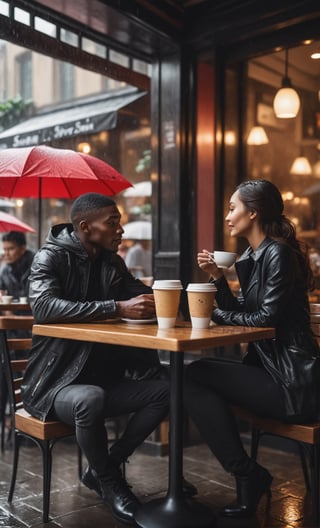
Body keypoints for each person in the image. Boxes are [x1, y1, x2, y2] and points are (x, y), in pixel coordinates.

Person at [21, 193, 170, 525]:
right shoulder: (50, 257)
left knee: (166, 391)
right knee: (90, 398)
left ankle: (104, 467)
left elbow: (138, 294)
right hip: (54, 385)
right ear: (86, 227)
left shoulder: (111, 262)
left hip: (103, 380)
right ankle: (109, 483)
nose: (121, 229)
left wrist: (187, 297)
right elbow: (43, 308)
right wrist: (115, 308)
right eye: (113, 222)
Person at [184, 179, 320, 519]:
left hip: (292, 383)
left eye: (233, 208)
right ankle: (247, 473)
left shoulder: (279, 255)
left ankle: (247, 475)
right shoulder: (252, 256)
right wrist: (217, 278)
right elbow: (245, 310)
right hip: (268, 371)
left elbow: (263, 319)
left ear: (253, 212)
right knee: (189, 376)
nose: (228, 216)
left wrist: (214, 310)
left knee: (193, 377)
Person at [0, 231, 34, 300]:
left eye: (11, 249)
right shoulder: (4, 270)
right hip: (14, 309)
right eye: (4, 249)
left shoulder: (37, 266)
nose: (6, 254)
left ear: (22, 249)